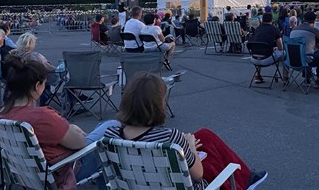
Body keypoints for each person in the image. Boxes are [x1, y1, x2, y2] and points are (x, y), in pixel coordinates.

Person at [104, 73, 267, 190]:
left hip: (138, 181)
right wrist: (190, 146)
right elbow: (198, 174)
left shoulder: (110, 135)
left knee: (204, 136)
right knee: (208, 159)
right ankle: (245, 181)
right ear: (159, 104)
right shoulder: (170, 138)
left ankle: (247, 177)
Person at [0, 56, 120, 189]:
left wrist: (67, 127)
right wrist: (69, 128)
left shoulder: (2, 114)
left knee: (104, 131)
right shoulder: (43, 117)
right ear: (37, 86)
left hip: (25, 174)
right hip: (60, 172)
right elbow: (80, 143)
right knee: (112, 129)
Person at [290, 11, 319, 88]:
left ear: (304, 19)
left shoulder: (294, 30)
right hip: (307, 60)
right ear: (314, 20)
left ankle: (307, 79)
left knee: (305, 51)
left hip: (292, 60)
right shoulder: (314, 30)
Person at [250, 13, 286, 83]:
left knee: (260, 49)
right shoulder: (275, 29)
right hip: (266, 59)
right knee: (284, 53)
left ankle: (257, 75)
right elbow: (280, 47)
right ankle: (285, 77)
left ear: (262, 20)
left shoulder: (257, 29)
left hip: (254, 58)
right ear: (272, 20)